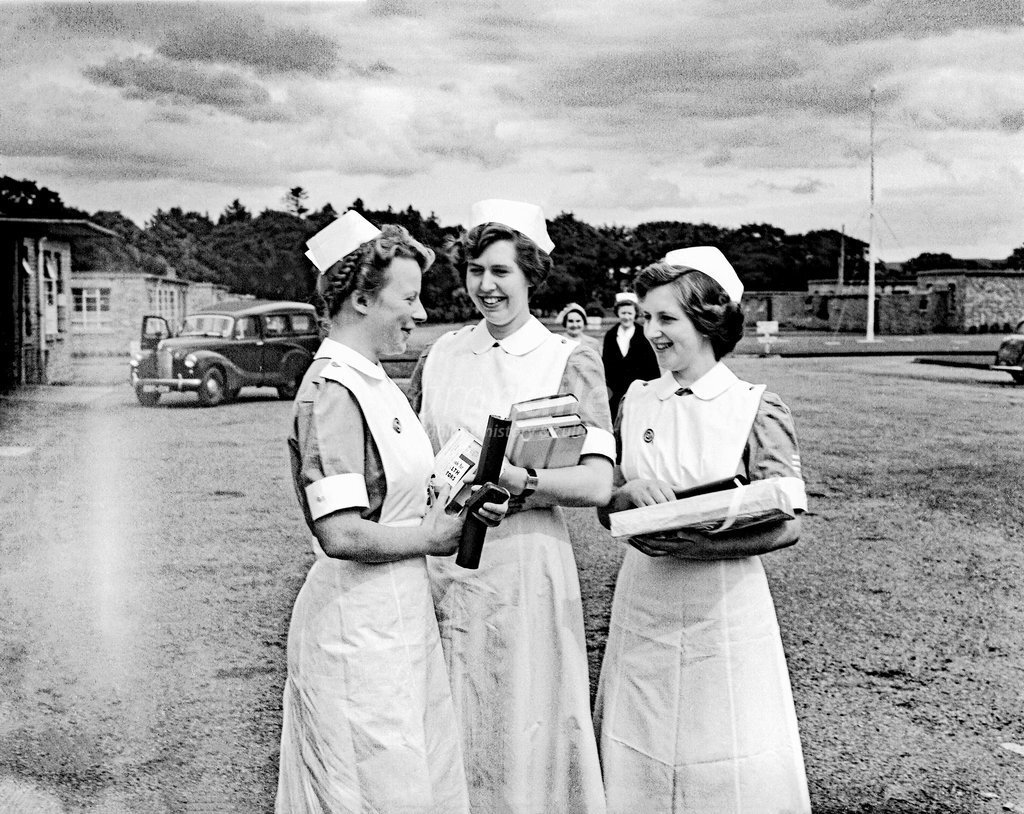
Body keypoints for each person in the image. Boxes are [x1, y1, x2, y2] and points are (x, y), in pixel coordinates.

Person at [276, 211, 507, 814]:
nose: (422, 313)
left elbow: (400, 498)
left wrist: (464, 495)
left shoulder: (375, 381)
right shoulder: (333, 391)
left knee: (416, 778)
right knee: (376, 789)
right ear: (359, 298)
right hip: (357, 628)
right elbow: (342, 533)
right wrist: (434, 536)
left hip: (400, 618)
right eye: (408, 297)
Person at [408, 199, 614, 814]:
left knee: (523, 714)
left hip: (524, 565)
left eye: (500, 271)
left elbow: (597, 484)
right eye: (475, 270)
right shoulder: (442, 353)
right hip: (443, 559)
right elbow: (418, 454)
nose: (485, 286)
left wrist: (521, 488)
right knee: (447, 707)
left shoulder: (566, 359)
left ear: (531, 274)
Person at [594, 246, 811, 814]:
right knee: (641, 739)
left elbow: (785, 525)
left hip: (725, 609)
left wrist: (704, 543)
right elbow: (608, 506)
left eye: (667, 318)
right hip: (644, 599)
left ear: (709, 320)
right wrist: (621, 494)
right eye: (646, 318)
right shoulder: (636, 400)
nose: (652, 332)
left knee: (725, 746)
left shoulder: (755, 407)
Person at [601, 291, 659, 420]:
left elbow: (651, 365)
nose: (626, 317)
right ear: (618, 313)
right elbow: (606, 364)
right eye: (623, 313)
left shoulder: (644, 334)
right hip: (615, 392)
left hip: (639, 391)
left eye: (629, 313)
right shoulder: (610, 335)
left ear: (635, 314)